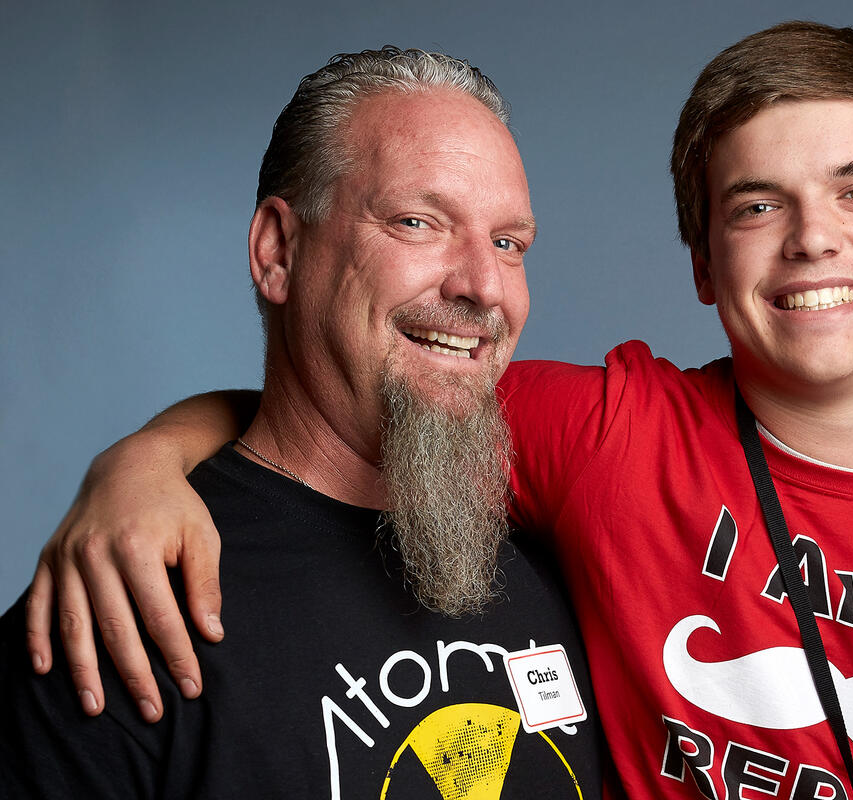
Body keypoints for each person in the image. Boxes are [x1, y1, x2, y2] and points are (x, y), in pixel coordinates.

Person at [19, 21, 853, 799]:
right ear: (701, 261)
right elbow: (344, 404)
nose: (814, 237)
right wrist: (141, 461)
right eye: (757, 203)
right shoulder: (605, 436)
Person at [0, 48, 605, 798]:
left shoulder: (559, 558)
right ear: (279, 251)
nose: (483, 286)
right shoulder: (121, 602)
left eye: (509, 243)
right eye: (418, 222)